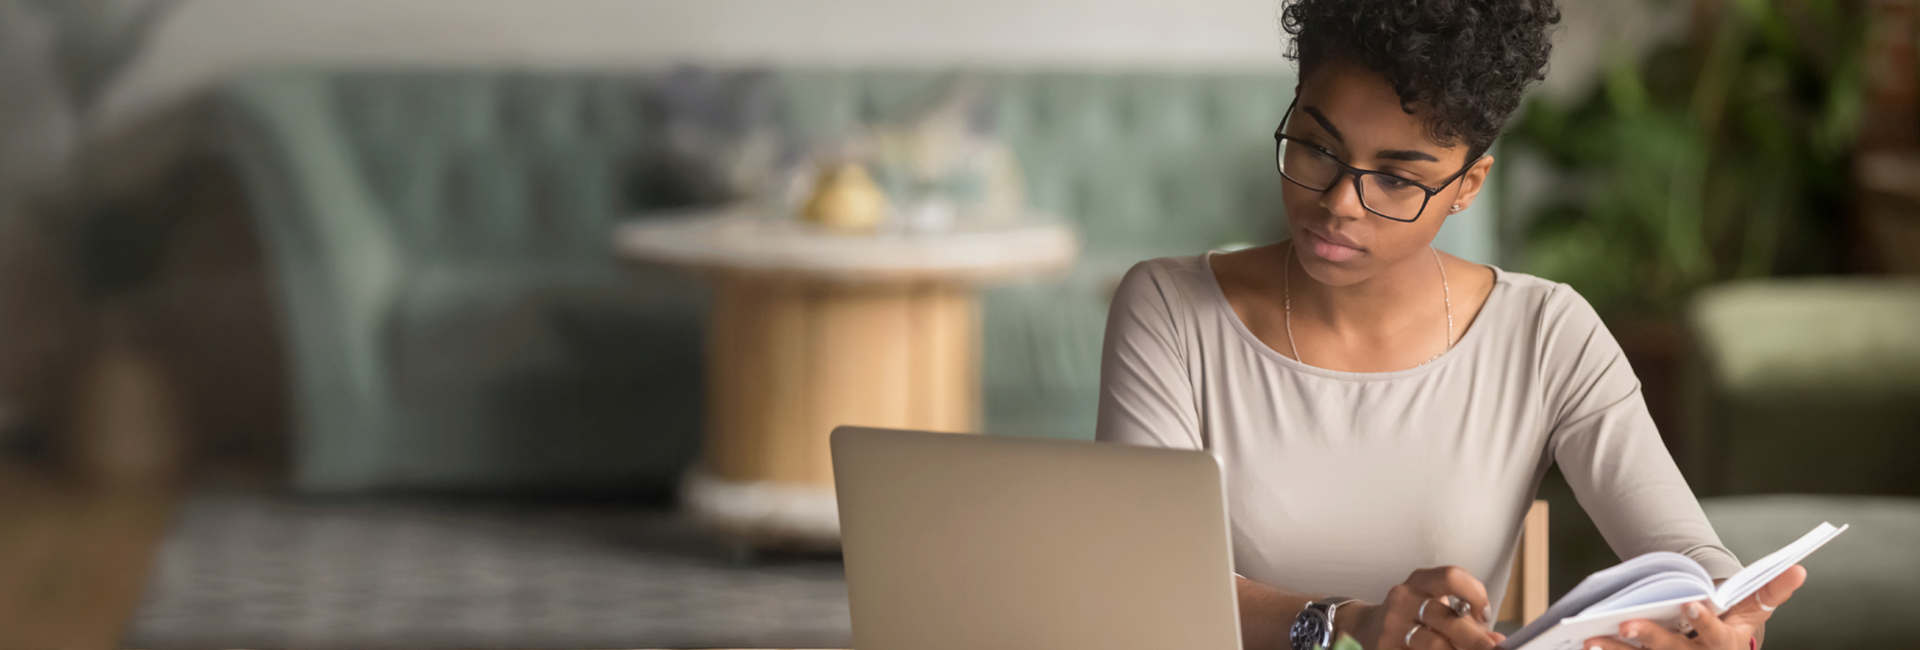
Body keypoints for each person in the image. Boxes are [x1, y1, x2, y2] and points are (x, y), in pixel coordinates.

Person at [1092, 1, 1807, 649]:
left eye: (1397, 178)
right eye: (1317, 147)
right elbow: (1139, 576)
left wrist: (1723, 616)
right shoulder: (1170, 308)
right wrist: (1347, 625)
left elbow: (1688, 555)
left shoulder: (1545, 332)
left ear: (1467, 185)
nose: (1340, 202)